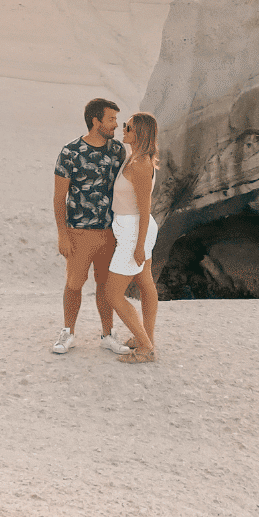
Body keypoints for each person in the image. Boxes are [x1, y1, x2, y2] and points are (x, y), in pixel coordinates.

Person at [52, 98, 130, 355]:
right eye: (111, 119)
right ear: (96, 120)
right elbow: (59, 196)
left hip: (109, 232)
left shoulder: (117, 150)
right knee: (74, 283)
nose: (116, 125)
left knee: (105, 285)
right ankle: (68, 332)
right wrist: (63, 234)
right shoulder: (70, 152)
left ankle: (108, 334)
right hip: (79, 232)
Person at [105, 111, 159, 364]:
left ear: (141, 133)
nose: (123, 129)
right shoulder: (134, 158)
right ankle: (144, 338)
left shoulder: (140, 165)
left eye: (128, 127)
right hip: (132, 228)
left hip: (134, 231)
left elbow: (145, 209)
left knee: (113, 294)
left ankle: (146, 347)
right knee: (146, 284)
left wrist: (138, 246)